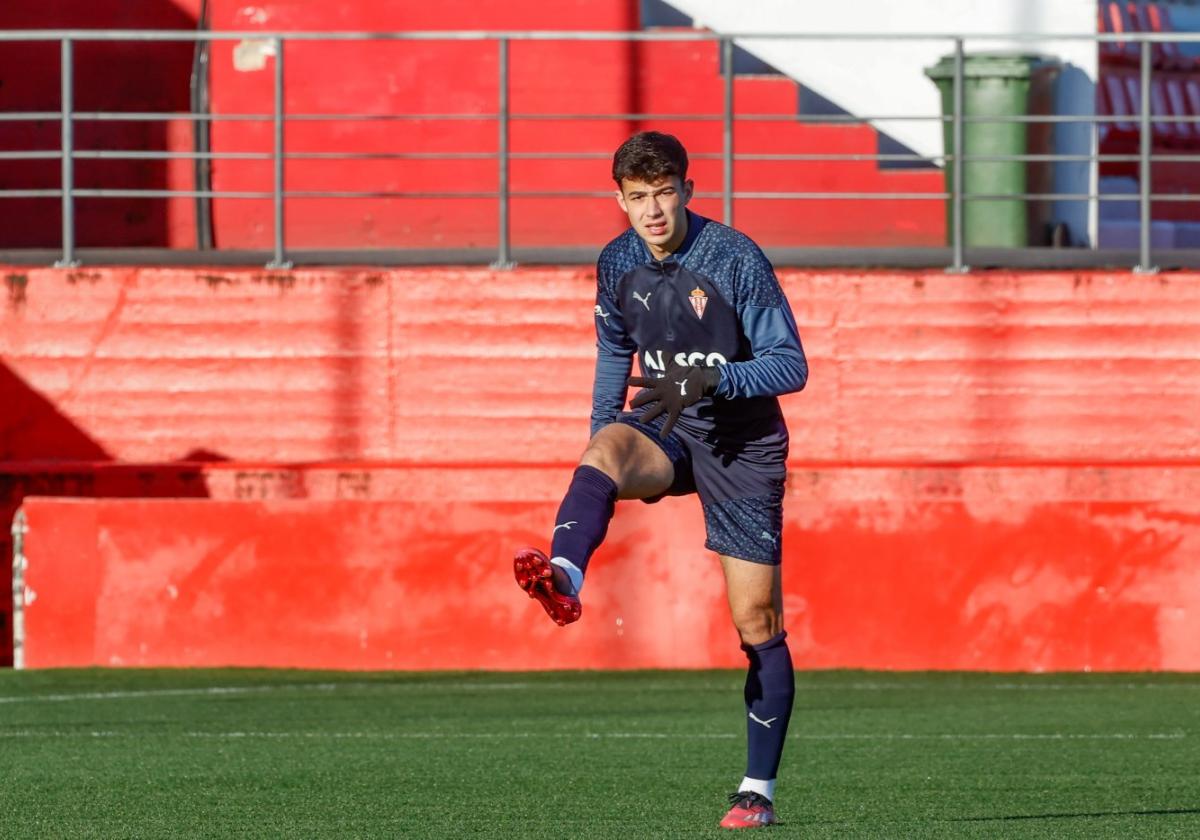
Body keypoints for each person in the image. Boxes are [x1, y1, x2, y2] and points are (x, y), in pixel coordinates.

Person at [514, 130, 808, 830]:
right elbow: (614, 353)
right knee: (607, 451)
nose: (653, 210)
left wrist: (717, 375)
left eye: (665, 193)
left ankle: (757, 791)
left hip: (742, 444)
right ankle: (565, 577)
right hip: (666, 424)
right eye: (638, 198)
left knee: (756, 621)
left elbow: (790, 365)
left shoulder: (735, 257)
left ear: (688, 191)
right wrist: (599, 439)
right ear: (619, 200)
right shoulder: (615, 261)